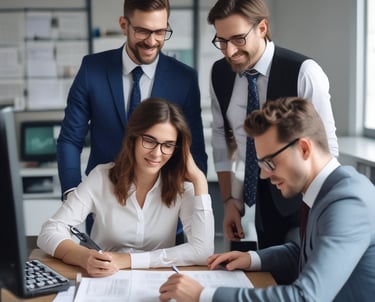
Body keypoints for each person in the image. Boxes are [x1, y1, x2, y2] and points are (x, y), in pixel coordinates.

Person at [159, 97, 375, 302]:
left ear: (304, 148)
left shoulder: (348, 202)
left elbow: (305, 298)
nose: (264, 175)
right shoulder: (328, 190)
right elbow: (305, 252)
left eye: (270, 162)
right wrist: (253, 259)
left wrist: (204, 296)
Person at [56, 0, 207, 238]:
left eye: (160, 32)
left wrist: (188, 203)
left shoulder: (184, 78)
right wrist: (73, 194)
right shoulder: (92, 69)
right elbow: (69, 139)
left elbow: (194, 148)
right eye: (142, 31)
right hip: (103, 208)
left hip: (165, 211)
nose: (151, 41)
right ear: (124, 24)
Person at [208, 0, 338, 249]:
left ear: (262, 28)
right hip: (246, 196)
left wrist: (317, 211)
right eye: (221, 41)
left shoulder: (304, 72)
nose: (229, 51)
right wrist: (228, 200)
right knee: (245, 271)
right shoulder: (220, 73)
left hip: (297, 200)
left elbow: (327, 147)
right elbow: (221, 136)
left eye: (238, 39)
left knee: (290, 272)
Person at [37, 98, 214, 277]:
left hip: (159, 281)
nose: (157, 153)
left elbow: (203, 250)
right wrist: (84, 256)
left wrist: (200, 180)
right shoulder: (101, 177)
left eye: (167, 145)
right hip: (104, 278)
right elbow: (49, 232)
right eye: (149, 140)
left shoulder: (182, 185)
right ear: (133, 138)